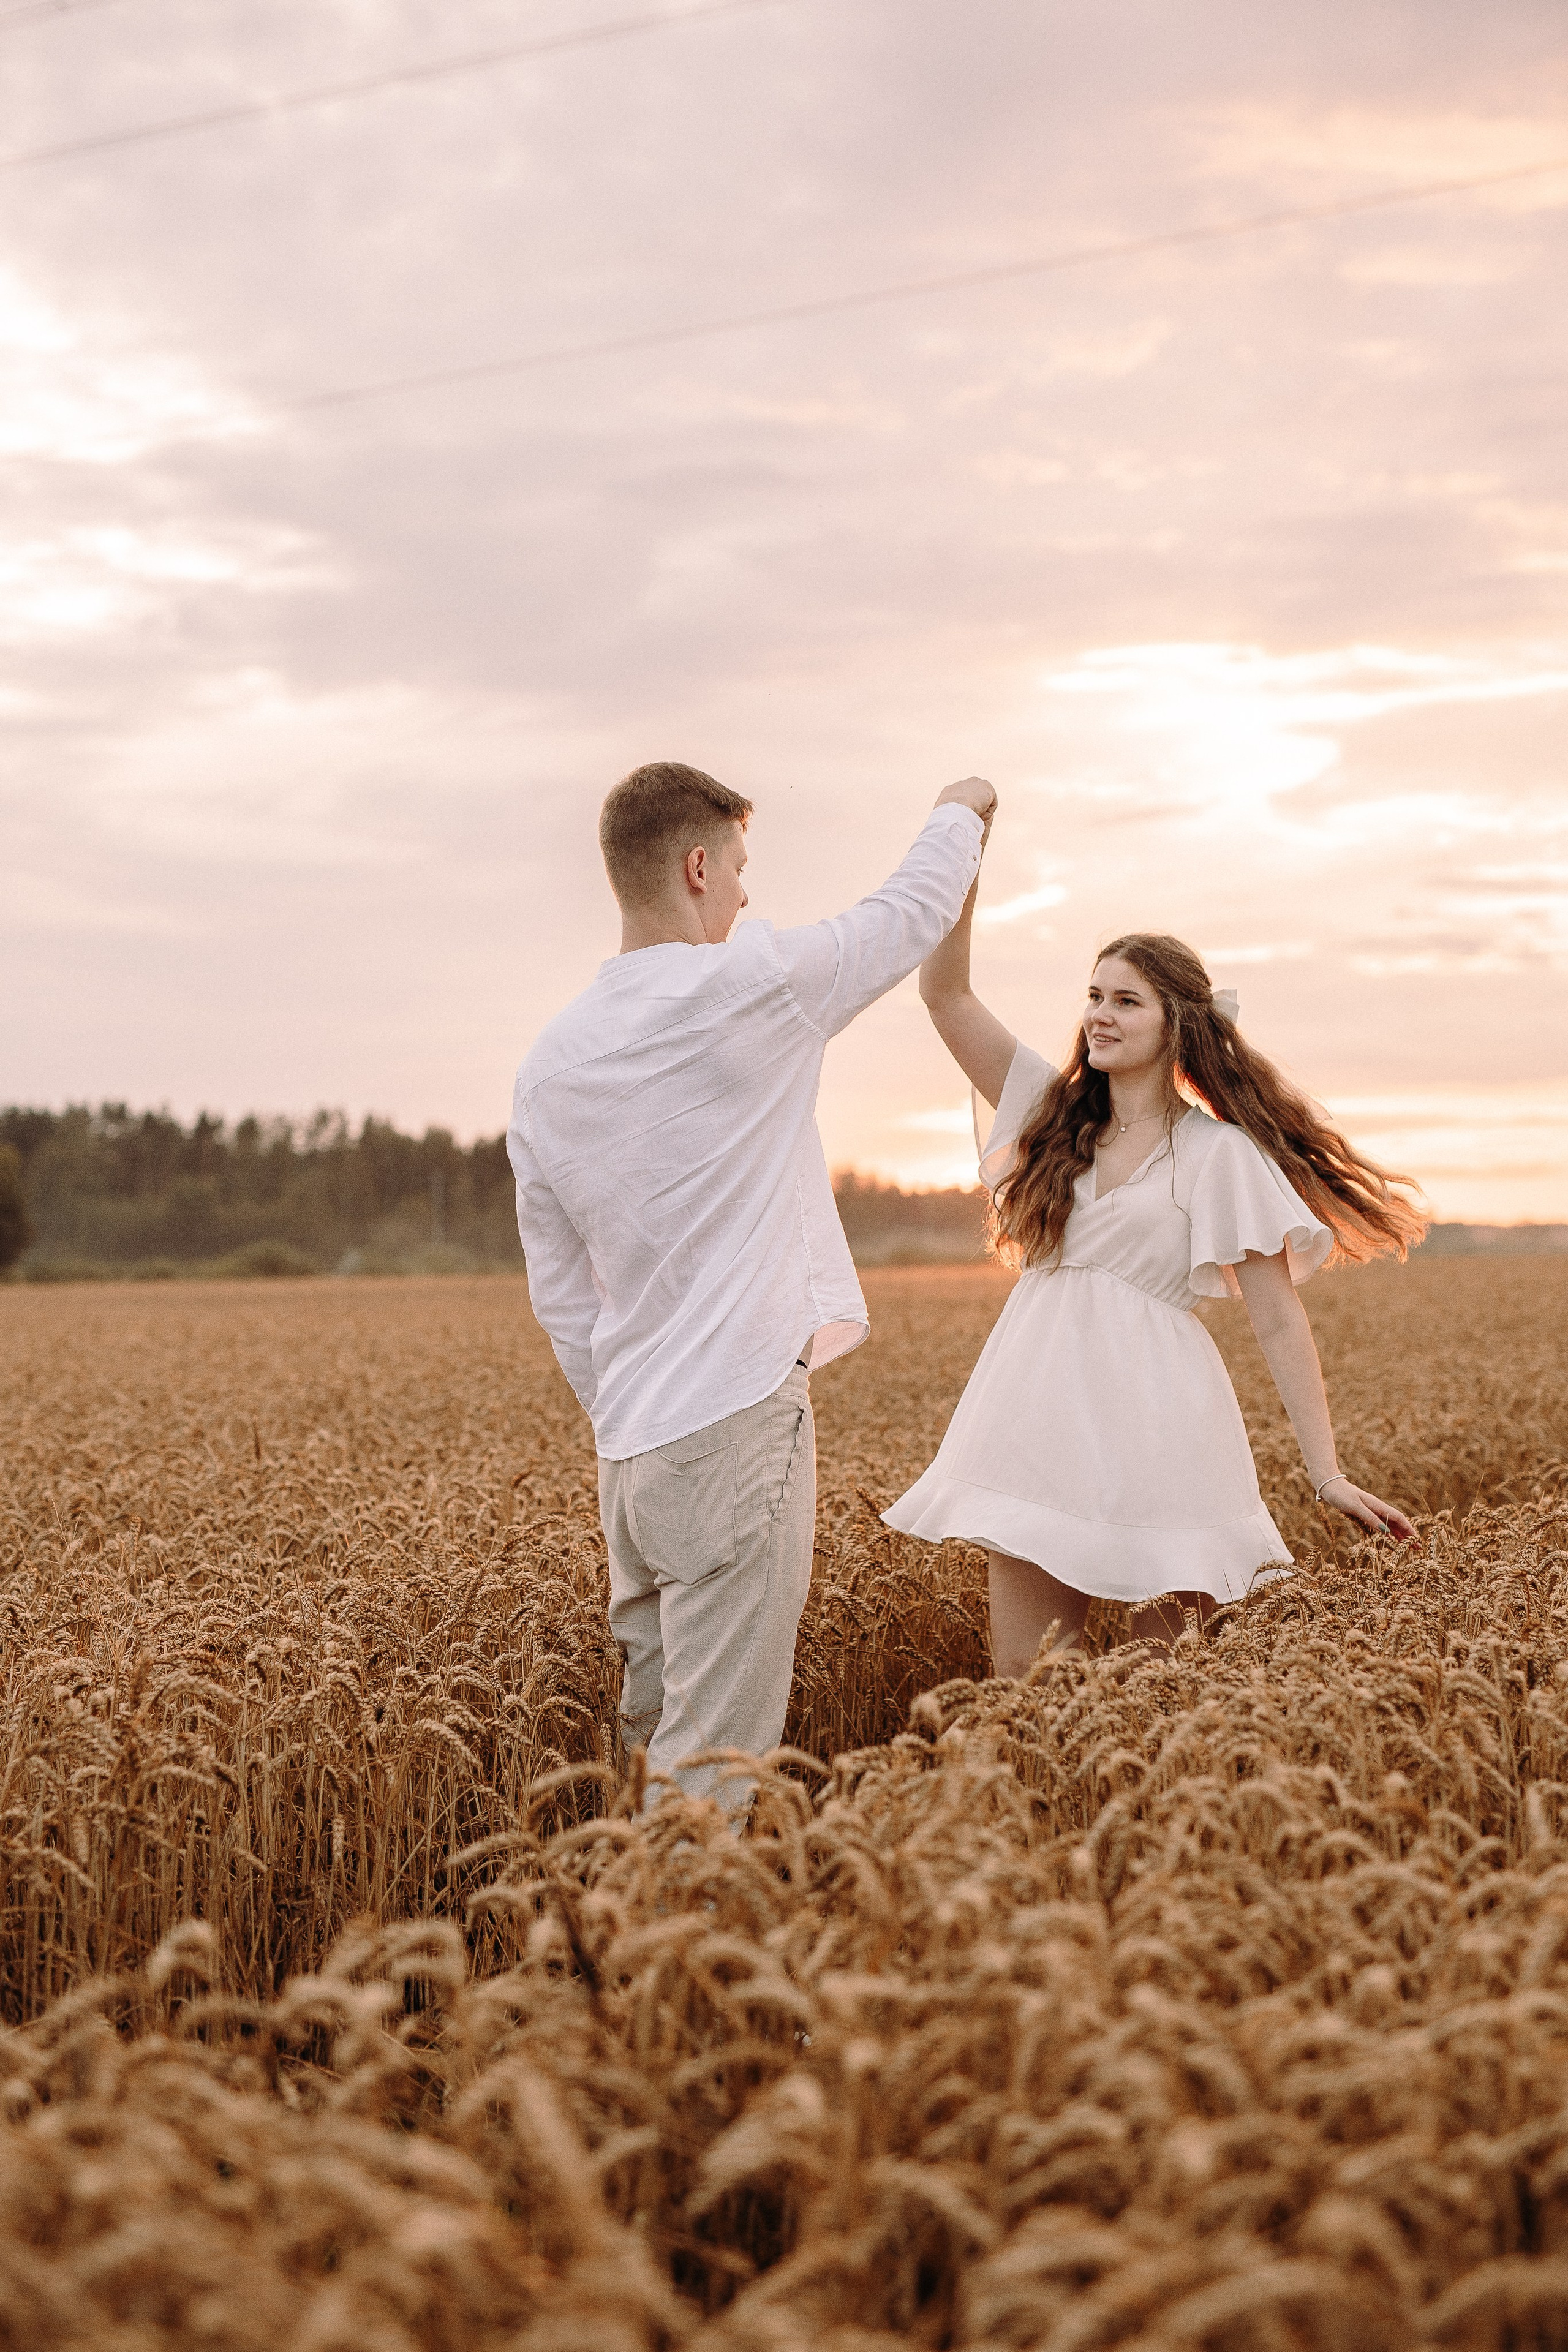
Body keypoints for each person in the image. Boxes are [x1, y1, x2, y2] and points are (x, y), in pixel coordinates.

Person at [510, 760, 996, 1803]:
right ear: (696, 865)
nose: (744, 895)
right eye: (737, 867)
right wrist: (962, 805)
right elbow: (906, 912)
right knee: (716, 1768)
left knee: (647, 1739)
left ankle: (619, 1950)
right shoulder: (749, 988)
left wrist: (627, 1402)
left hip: (629, 1452)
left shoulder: (548, 1064)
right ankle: (681, 1961)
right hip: (732, 1421)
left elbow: (560, 1288)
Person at [884, 880, 1427, 1673]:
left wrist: (1326, 1473)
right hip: (1034, 1425)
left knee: (1158, 1699)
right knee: (1028, 1692)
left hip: (1164, 1436)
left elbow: (1277, 1319)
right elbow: (945, 993)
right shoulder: (1045, 1107)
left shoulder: (1219, 1155)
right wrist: (963, 853)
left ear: (1180, 1023)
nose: (1100, 1014)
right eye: (1094, 996)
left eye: (1127, 1001)